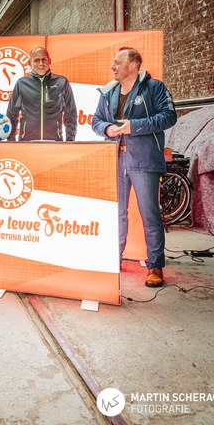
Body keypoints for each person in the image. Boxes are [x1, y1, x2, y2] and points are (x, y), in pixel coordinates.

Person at [91, 47, 177, 287]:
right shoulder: (108, 92)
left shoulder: (154, 87)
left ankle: (155, 266)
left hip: (144, 160)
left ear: (133, 65)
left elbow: (169, 116)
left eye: (117, 62)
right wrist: (106, 129)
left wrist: (134, 126)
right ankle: (114, 258)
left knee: (149, 213)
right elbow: (96, 121)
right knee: (116, 212)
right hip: (116, 159)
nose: (113, 67)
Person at [6, 46, 77, 142]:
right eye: (36, 60)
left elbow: (71, 114)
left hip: (55, 143)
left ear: (49, 61)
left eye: (44, 59)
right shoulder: (22, 84)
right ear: (29, 63)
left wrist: (70, 141)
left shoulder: (62, 82)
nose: (41, 63)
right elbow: (12, 115)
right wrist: (11, 142)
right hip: (26, 143)